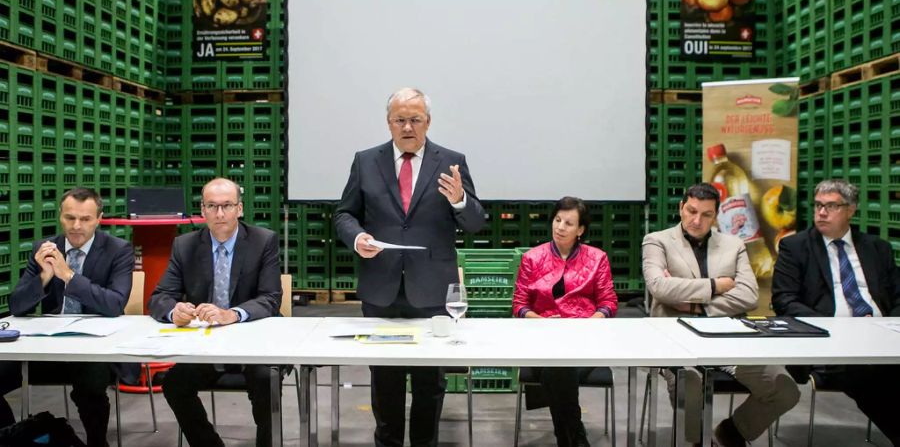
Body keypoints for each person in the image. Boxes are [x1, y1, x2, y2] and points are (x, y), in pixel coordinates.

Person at [333, 87, 486, 447]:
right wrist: (357, 239)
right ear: (388, 123)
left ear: (428, 122)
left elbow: (477, 222)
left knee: (429, 386)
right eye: (400, 119)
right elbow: (344, 214)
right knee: (385, 385)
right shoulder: (365, 160)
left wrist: (460, 201)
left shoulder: (451, 161)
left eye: (415, 119)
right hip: (381, 289)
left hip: (432, 292)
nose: (407, 127)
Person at [642, 183, 799, 447]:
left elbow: (749, 295)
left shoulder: (733, 244)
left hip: (729, 338)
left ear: (715, 216)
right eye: (691, 211)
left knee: (785, 389)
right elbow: (659, 287)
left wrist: (696, 305)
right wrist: (716, 286)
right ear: (681, 207)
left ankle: (730, 433)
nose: (696, 220)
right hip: (676, 339)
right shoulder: (657, 241)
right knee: (689, 382)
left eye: (705, 214)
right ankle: (695, 443)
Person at [149, 178, 282, 447]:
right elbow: (160, 297)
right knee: (175, 383)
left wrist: (231, 314)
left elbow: (270, 298)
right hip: (205, 345)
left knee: (266, 381)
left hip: (254, 342)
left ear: (239, 209)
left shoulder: (263, 241)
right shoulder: (184, 245)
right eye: (212, 206)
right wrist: (175, 311)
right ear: (203, 210)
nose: (220, 214)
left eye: (227, 206)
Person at [2, 187, 134, 447]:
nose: (76, 226)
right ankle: (10, 436)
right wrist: (44, 276)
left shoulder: (118, 250)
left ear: (99, 218)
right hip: (49, 346)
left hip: (95, 347)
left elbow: (115, 304)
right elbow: (17, 306)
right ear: (60, 216)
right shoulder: (44, 248)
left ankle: (97, 443)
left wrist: (69, 276)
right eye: (69, 218)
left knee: (90, 385)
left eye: (85, 219)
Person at [772, 178, 900, 445]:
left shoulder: (878, 249)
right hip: (829, 343)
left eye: (831, 206)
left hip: (882, 335)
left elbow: (897, 296)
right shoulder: (795, 247)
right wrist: (837, 327)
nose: (821, 212)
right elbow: (784, 300)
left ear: (851, 209)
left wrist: (887, 326)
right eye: (818, 205)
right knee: (874, 374)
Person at [512, 196, 618, 447]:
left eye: (569, 223)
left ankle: (568, 437)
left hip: (584, 341)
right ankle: (575, 438)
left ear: (581, 230)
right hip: (543, 341)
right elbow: (519, 305)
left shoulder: (597, 258)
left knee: (558, 369)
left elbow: (609, 302)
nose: (560, 227)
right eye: (557, 220)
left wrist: (593, 321)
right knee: (557, 367)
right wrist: (537, 320)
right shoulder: (532, 258)